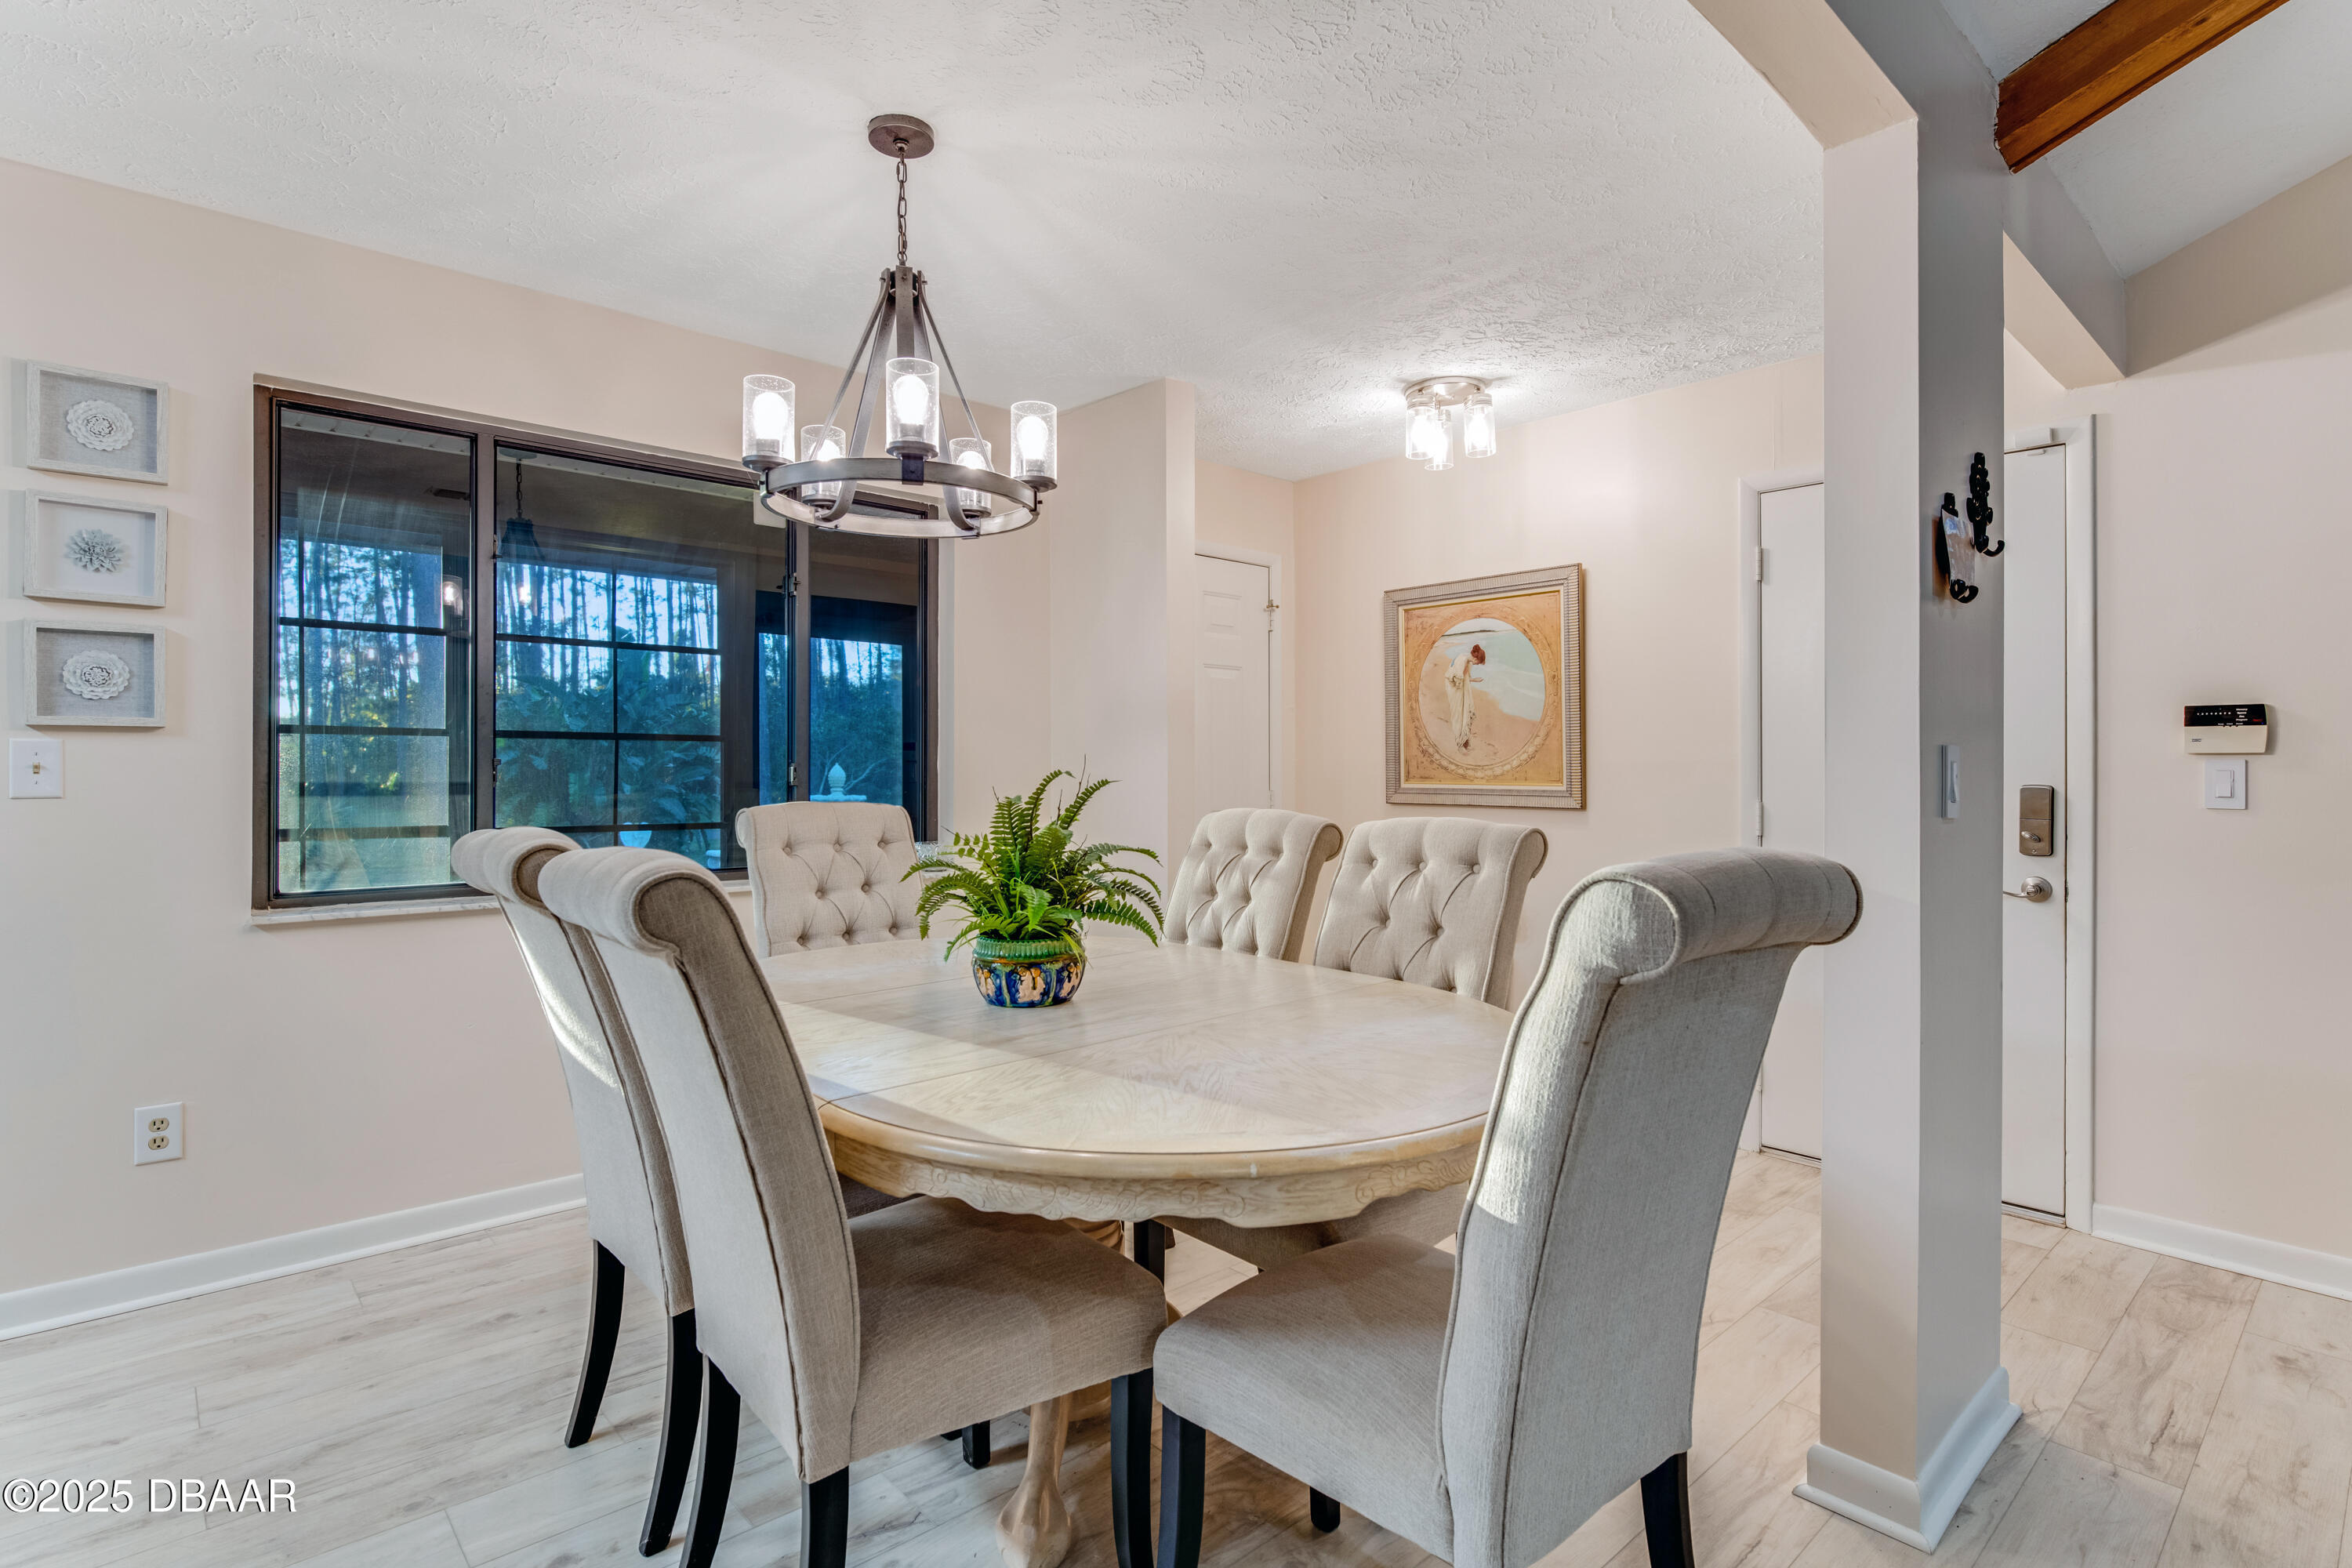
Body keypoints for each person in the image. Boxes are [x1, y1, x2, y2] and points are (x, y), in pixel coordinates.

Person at [1444, 641, 1486, 751]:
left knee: (1464, 710)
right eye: (1479, 663)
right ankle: (1460, 742)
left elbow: (1464, 678)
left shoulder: (1467, 660)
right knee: (1458, 713)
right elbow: (1457, 680)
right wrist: (1467, 682)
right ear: (1476, 659)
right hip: (1454, 688)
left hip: (1459, 686)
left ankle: (1464, 740)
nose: (1477, 665)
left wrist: (1475, 680)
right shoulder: (1462, 661)